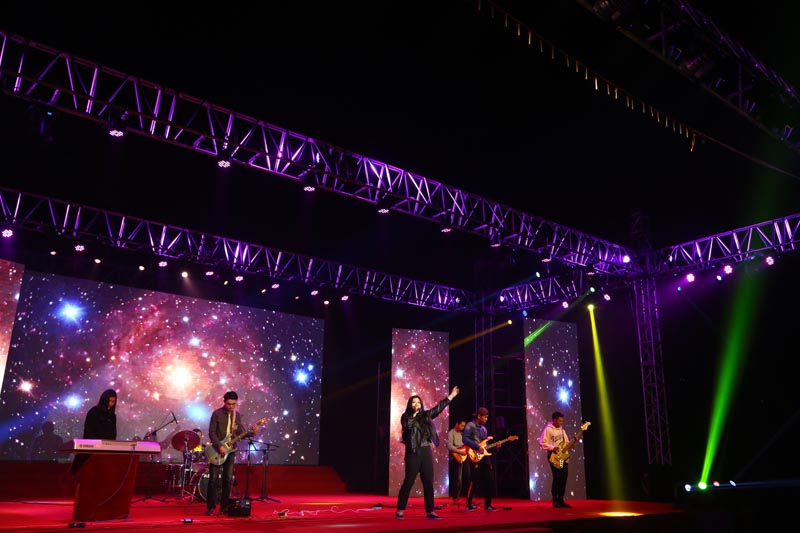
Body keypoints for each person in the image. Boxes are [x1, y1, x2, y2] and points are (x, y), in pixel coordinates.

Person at [395, 385, 459, 521]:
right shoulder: (405, 417)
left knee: (428, 481)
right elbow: (408, 425)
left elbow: (438, 408)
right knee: (409, 481)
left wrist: (451, 396)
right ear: (410, 405)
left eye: (418, 402)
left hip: (425, 451)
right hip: (413, 452)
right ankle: (400, 509)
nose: (416, 404)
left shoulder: (426, 416)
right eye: (414, 402)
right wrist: (414, 415)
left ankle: (430, 511)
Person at [205, 391, 258, 516]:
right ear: (224, 402)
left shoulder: (236, 415)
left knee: (228, 480)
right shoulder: (217, 414)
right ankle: (211, 507)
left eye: (234, 404)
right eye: (229, 404)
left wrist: (253, 433)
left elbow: (240, 433)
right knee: (213, 479)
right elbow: (212, 433)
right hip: (216, 450)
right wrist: (219, 446)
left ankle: (224, 507)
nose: (231, 406)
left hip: (231, 451)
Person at [70, 388, 118, 473]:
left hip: (105, 451)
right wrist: (97, 444)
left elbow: (113, 433)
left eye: (113, 402)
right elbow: (88, 430)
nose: (111, 404)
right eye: (110, 401)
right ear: (104, 400)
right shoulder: (93, 412)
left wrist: (110, 445)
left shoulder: (112, 416)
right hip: (90, 450)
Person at [462, 407, 498, 512]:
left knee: (489, 480)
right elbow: (465, 439)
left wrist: (496, 447)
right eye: (485, 417)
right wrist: (477, 446)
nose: (486, 419)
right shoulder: (470, 425)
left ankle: (488, 505)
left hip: (484, 458)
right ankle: (468, 504)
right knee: (474, 481)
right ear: (479, 416)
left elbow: (485, 445)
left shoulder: (484, 429)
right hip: (474, 456)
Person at [539, 410, 575, 508]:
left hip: (563, 457)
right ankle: (555, 500)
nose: (561, 422)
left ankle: (561, 499)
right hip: (553, 456)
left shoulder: (563, 431)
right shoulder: (548, 429)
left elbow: (566, 444)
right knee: (557, 477)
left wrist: (572, 443)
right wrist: (552, 447)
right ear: (554, 420)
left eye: (562, 421)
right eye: (560, 420)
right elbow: (542, 442)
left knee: (563, 478)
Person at [446, 417, 471, 509]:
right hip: (457, 456)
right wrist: (459, 451)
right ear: (457, 424)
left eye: (464, 426)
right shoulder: (451, 433)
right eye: (462, 425)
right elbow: (449, 446)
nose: (463, 427)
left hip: (465, 456)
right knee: (458, 479)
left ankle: (468, 498)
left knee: (468, 476)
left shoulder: (462, 434)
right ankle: (456, 498)